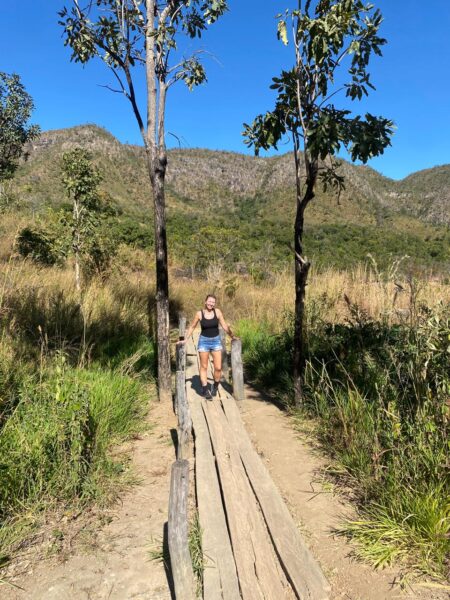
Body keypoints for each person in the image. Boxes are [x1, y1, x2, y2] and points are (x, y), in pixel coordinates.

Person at [179, 294, 236, 399]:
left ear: (215, 304)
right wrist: (185, 339)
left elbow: (224, 325)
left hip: (216, 341)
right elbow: (192, 327)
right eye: (209, 301)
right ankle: (205, 390)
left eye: (213, 302)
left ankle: (215, 386)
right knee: (204, 366)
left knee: (218, 368)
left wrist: (232, 336)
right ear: (205, 302)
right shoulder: (199, 314)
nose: (211, 304)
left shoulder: (217, 312)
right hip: (204, 341)